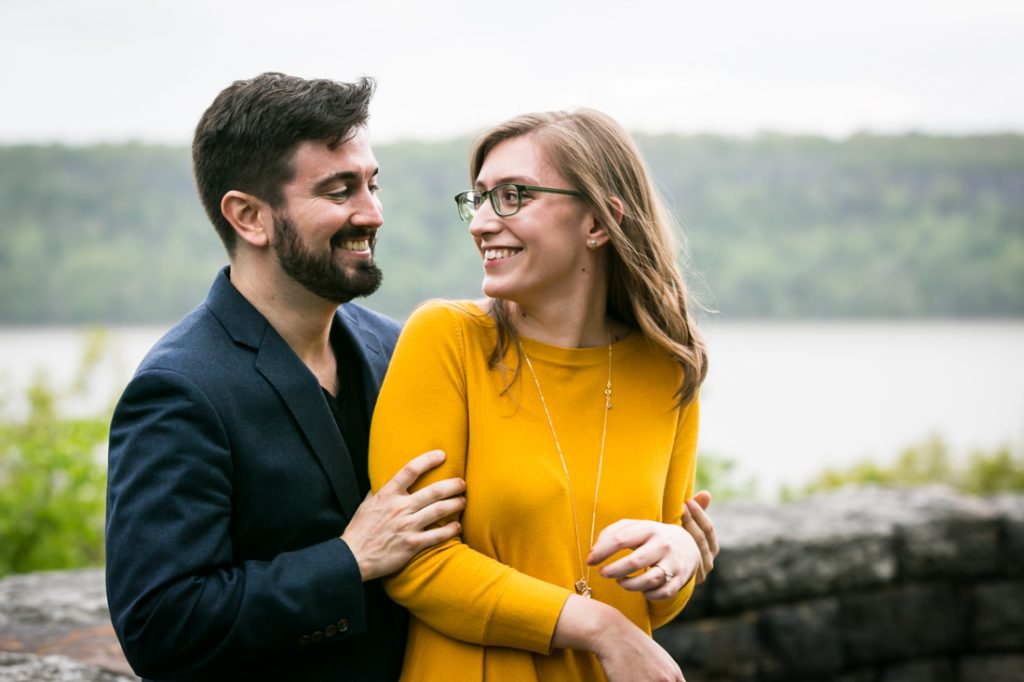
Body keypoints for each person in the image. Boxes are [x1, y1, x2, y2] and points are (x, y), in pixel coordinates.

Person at [104, 73, 469, 681]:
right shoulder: (178, 390)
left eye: (373, 185)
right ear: (249, 216)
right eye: (339, 190)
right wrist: (348, 561)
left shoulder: (399, 348)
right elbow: (161, 625)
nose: (373, 213)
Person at [368, 109, 712, 681]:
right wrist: (598, 627)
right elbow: (414, 564)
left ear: (598, 223)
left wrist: (679, 561)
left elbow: (651, 606)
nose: (480, 222)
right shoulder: (446, 341)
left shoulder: (667, 369)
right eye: (477, 199)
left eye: (512, 196)